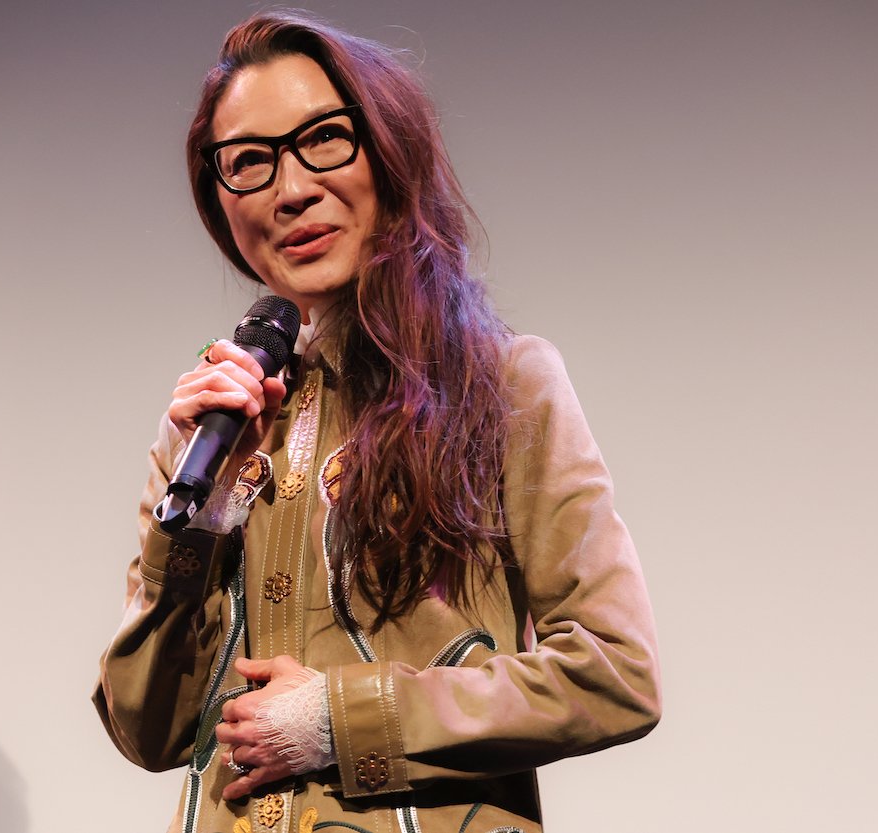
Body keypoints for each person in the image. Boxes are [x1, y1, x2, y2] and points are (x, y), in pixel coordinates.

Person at [94, 11, 661, 833]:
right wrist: (198, 518)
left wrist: (340, 719)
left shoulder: (504, 384)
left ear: (389, 154)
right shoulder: (213, 425)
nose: (291, 189)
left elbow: (615, 671)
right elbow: (147, 729)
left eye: (324, 139)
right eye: (249, 161)